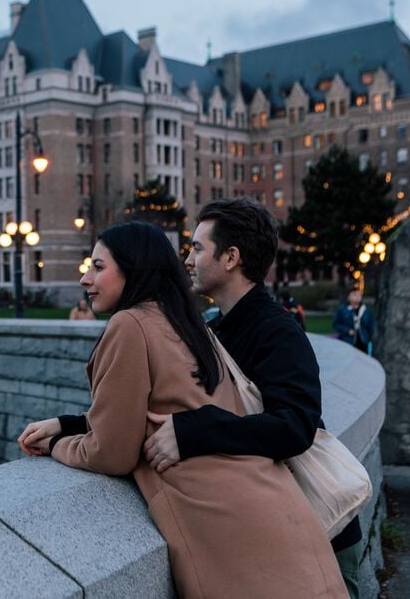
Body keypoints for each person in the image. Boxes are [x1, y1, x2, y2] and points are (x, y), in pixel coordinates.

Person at [18, 222, 345, 598]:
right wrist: (69, 423)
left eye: (97, 266)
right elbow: (162, 409)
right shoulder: (190, 324)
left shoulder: (130, 325)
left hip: (226, 530)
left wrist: (58, 445)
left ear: (133, 269)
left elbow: (113, 454)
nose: (85, 279)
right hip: (283, 515)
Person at [142, 197, 363, 597]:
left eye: (197, 248)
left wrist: (196, 433)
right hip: (273, 529)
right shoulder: (217, 328)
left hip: (320, 537)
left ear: (230, 258)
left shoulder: (277, 331)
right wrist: (73, 427)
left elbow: (295, 427)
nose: (188, 260)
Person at [333, 288, 374, 354]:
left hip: (363, 342)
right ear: (349, 297)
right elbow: (336, 324)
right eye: (354, 294)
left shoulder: (366, 311)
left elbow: (371, 327)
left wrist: (369, 338)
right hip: (347, 341)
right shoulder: (342, 310)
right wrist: (347, 331)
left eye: (359, 295)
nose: (357, 297)